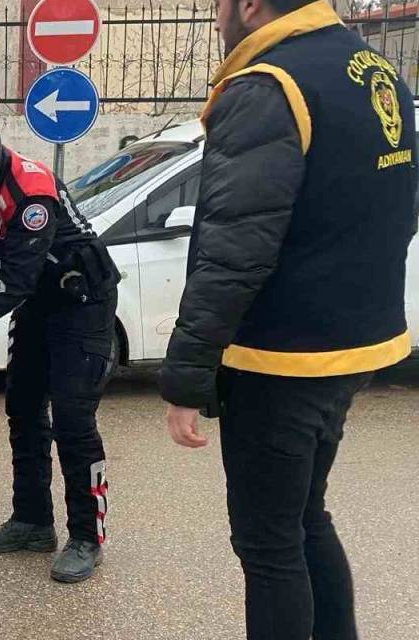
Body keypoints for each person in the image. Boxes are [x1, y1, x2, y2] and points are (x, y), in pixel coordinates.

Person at [160, 0, 417, 637]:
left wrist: (185, 378)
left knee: (269, 545)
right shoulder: (375, 70)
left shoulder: (268, 85)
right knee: (306, 518)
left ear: (250, 6)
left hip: (279, 358)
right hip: (355, 344)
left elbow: (232, 250)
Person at [0, 109, 120, 583]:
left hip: (82, 302)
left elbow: (13, 285)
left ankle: (86, 537)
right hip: (39, 300)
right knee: (24, 408)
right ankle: (32, 521)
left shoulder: (32, 191)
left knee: (73, 422)